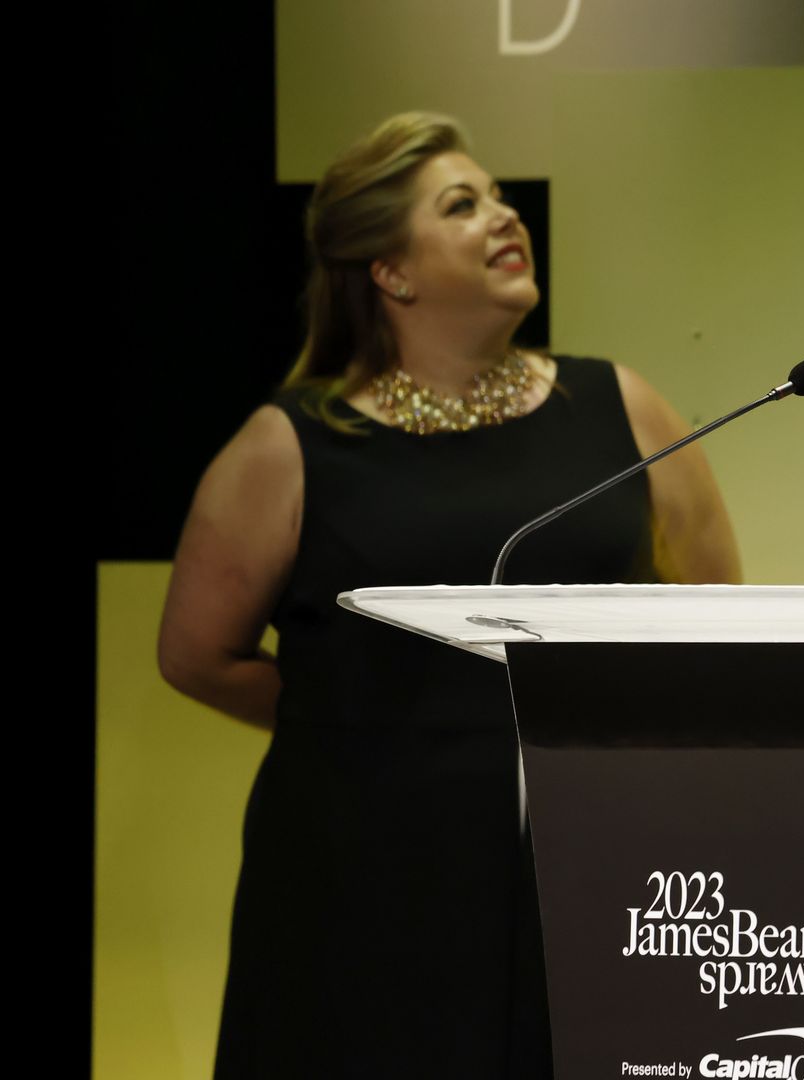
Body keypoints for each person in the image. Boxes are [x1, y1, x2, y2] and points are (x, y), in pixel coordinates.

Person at [158, 112, 740, 1077]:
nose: (504, 217)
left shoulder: (621, 404)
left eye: (499, 196)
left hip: (587, 854)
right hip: (362, 872)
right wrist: (361, 727)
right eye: (461, 206)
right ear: (391, 273)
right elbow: (195, 654)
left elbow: (715, 610)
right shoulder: (293, 442)